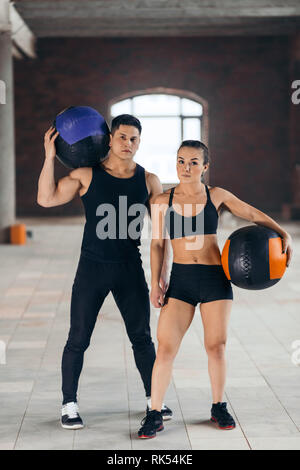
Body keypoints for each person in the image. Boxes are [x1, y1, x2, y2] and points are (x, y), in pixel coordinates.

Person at [138, 139, 293, 439]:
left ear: (205, 167)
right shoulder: (161, 201)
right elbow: (158, 244)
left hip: (214, 280)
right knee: (166, 348)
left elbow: (250, 212)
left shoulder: (216, 195)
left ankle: (218, 405)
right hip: (181, 282)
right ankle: (154, 412)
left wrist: (281, 231)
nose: (186, 167)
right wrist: (156, 282)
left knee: (216, 347)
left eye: (194, 162)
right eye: (181, 161)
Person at [37, 114, 172, 429]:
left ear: (140, 142)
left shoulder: (149, 180)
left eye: (134, 138)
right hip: (92, 268)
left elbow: (160, 237)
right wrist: (48, 158)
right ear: (109, 139)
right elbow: (45, 199)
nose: (128, 144)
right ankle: (69, 404)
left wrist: (160, 277)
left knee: (142, 338)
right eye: (122, 137)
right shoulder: (85, 175)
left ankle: (155, 400)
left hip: (129, 268)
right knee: (78, 338)